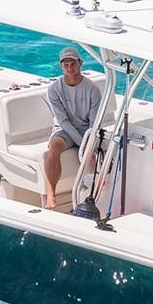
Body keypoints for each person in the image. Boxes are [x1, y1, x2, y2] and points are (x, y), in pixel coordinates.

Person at [44, 46, 103, 209]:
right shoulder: (54, 89)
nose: (70, 68)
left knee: (92, 154)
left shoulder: (93, 89)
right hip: (65, 130)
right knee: (54, 146)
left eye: (73, 64)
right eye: (66, 65)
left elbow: (94, 123)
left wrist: (88, 144)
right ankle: (51, 195)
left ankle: (96, 196)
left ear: (80, 63)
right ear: (61, 66)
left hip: (87, 130)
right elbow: (63, 121)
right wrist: (80, 143)